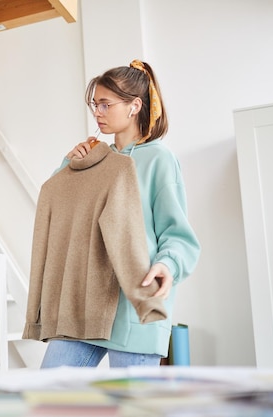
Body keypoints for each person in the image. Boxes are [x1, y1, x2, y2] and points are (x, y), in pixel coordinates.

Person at [33, 59, 201, 368]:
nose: (97, 112)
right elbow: (59, 209)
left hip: (132, 307)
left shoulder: (159, 159)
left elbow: (177, 235)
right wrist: (69, 165)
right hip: (84, 304)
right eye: (95, 105)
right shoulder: (98, 158)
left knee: (132, 408)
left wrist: (168, 264)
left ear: (135, 106)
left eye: (105, 104)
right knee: (47, 398)